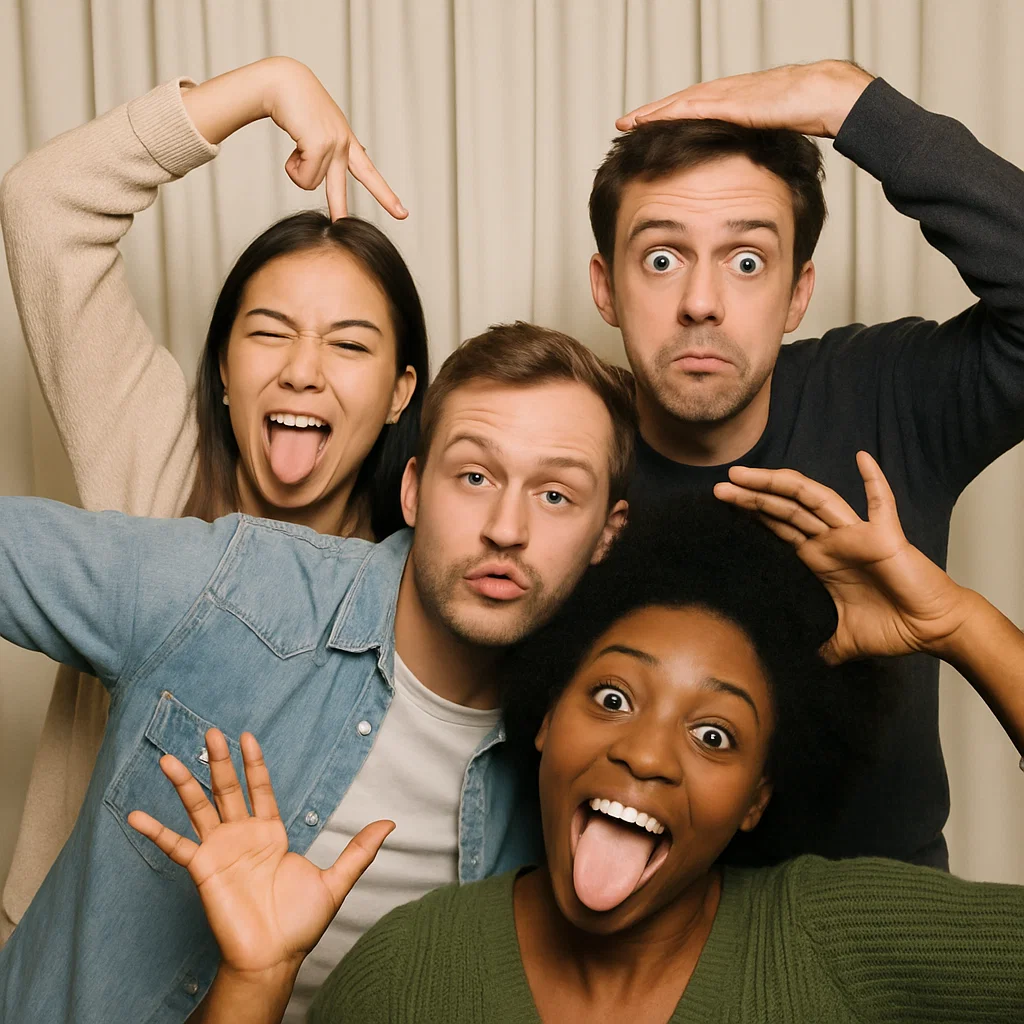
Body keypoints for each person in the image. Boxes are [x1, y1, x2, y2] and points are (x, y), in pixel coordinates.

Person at [141, 455, 1024, 1022]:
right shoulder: (413, 971)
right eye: (611, 696)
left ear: (759, 797)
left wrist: (964, 627)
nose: (646, 753)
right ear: (545, 717)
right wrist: (254, 983)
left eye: (714, 735)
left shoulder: (828, 940)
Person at [0, 321, 633, 1024]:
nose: (506, 528)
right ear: (414, 490)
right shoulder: (238, 589)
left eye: (555, 495)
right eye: (475, 476)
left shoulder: (593, 752)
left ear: (608, 533)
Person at [0, 56, 427, 944]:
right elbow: (43, 207)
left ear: (400, 394)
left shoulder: (420, 583)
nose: (302, 370)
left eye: (349, 345)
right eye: (269, 333)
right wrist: (267, 87)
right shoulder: (156, 469)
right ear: (225, 370)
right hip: (73, 972)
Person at [588, 59, 1024, 867]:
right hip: (634, 928)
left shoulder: (889, 394)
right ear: (605, 287)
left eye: (747, 261)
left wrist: (849, 101)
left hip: (884, 923)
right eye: (662, 259)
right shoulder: (554, 456)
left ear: (798, 293)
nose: (701, 302)